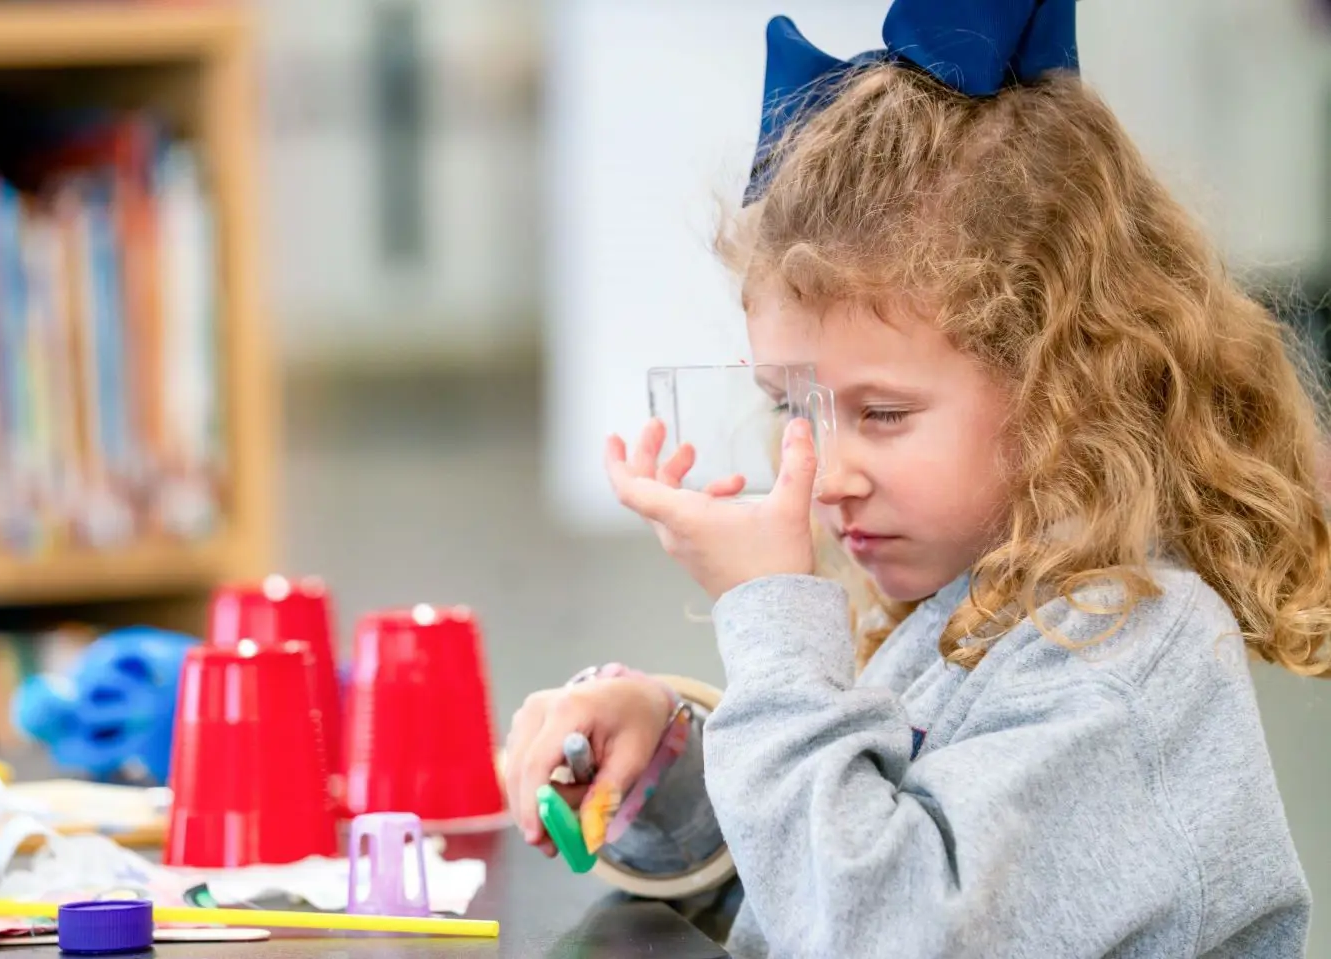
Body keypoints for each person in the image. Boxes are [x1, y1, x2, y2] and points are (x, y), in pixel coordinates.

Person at [502, 1, 1331, 956]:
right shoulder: (966, 609)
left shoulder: (1129, 655)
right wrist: (667, 762)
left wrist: (773, 619)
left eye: (883, 415)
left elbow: (875, 926)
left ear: (1066, 385)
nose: (827, 474)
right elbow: (812, 869)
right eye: (794, 410)